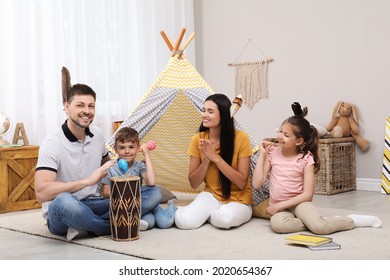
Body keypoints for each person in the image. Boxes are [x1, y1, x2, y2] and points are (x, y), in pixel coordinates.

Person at [252, 102, 382, 234]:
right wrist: (262, 155)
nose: (280, 136)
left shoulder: (306, 159)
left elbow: (307, 195)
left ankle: (350, 221)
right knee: (278, 225)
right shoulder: (272, 153)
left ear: (299, 141)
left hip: (299, 204)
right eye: (280, 131)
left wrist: (279, 206)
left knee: (320, 228)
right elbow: (257, 184)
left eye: (286, 135)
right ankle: (316, 221)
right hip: (279, 206)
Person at [35, 83, 115, 241]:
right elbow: (41, 193)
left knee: (149, 193)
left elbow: (109, 165)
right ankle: (113, 226)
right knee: (64, 201)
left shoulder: (97, 135)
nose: (87, 111)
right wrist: (87, 182)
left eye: (91, 106)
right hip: (64, 209)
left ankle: (84, 227)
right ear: (66, 107)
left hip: (95, 203)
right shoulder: (52, 143)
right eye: (80, 105)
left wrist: (129, 163)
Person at [175, 93, 253, 230]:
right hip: (211, 195)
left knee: (223, 219)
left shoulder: (242, 138)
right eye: (203, 110)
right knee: (183, 222)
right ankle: (206, 212)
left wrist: (216, 158)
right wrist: (206, 159)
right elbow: (193, 183)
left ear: (223, 115)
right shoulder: (198, 139)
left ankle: (209, 214)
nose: (204, 114)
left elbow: (241, 182)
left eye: (210, 111)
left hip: (240, 201)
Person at [101, 127, 176, 230]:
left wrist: (146, 154)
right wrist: (125, 194)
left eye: (131, 147)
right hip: (123, 205)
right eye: (122, 147)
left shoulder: (139, 165)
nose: (127, 151)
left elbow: (151, 182)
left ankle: (172, 206)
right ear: (115, 148)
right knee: (149, 222)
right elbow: (105, 193)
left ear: (138, 148)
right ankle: (136, 216)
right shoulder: (110, 168)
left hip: (141, 202)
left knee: (165, 222)